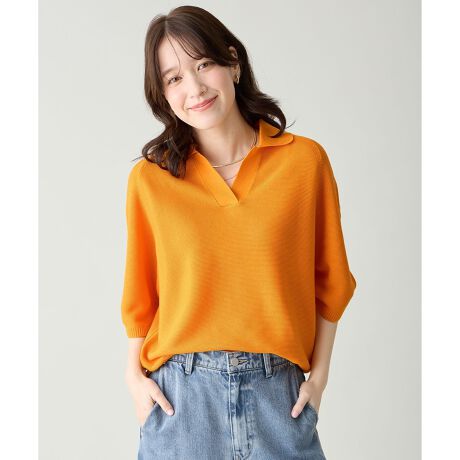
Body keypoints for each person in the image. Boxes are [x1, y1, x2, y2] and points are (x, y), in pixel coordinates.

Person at [120, 5, 357, 460]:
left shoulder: (303, 162)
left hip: (278, 397)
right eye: (174, 78)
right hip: (181, 401)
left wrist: (320, 378)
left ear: (233, 62)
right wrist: (133, 377)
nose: (194, 88)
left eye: (203, 64)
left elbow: (332, 281)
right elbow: (140, 295)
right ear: (163, 94)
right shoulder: (151, 180)